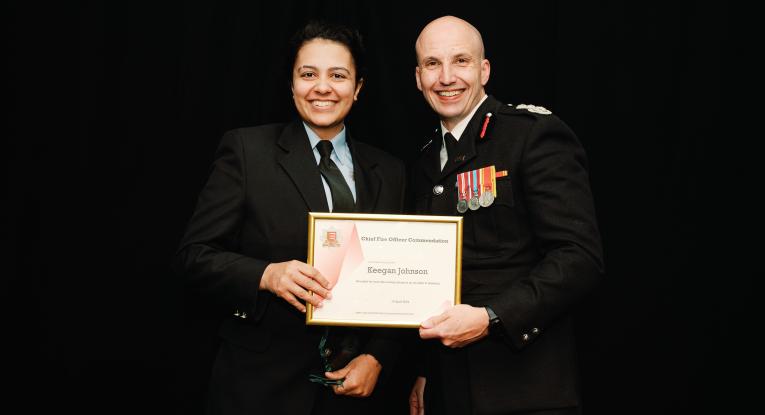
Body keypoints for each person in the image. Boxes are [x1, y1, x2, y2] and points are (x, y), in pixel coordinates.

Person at [174, 21, 406, 415]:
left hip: (357, 393)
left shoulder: (390, 171)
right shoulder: (247, 152)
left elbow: (400, 277)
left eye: (338, 75)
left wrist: (378, 358)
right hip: (261, 388)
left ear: (359, 87)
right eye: (308, 74)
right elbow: (194, 256)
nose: (322, 87)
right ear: (291, 83)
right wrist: (267, 275)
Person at [408, 16, 604, 415]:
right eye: (432, 64)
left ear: (484, 70)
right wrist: (425, 372)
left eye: (461, 61)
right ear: (417, 76)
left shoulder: (531, 135)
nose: (446, 77)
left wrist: (491, 318)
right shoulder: (425, 158)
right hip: (449, 390)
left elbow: (579, 257)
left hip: (524, 389)